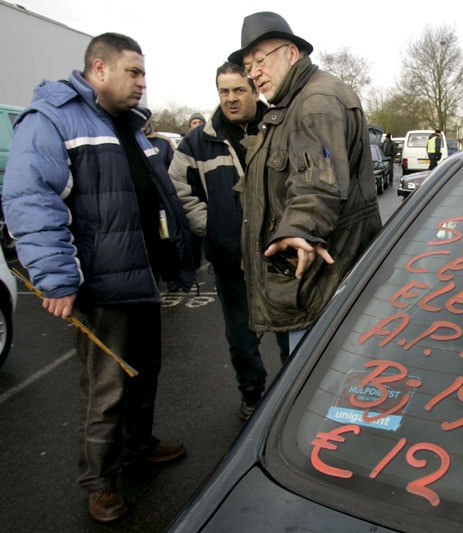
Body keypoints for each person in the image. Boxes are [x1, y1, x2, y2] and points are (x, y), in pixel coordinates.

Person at [2, 32, 196, 523]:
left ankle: (138, 445)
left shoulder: (127, 126)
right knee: (106, 387)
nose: (142, 83)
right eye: (134, 72)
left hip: (142, 274)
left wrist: (177, 255)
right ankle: (100, 481)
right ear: (99, 68)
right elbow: (30, 198)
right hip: (102, 282)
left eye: (144, 73)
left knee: (144, 370)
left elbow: (153, 196)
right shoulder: (52, 119)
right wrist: (55, 278)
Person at [227, 12, 382, 363]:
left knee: (310, 389)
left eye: (260, 60)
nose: (253, 73)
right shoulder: (295, 102)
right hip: (310, 284)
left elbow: (319, 181)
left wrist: (300, 226)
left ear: (292, 53)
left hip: (317, 288)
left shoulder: (315, 102)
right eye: (248, 66)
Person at [169, 62, 269, 421]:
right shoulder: (197, 143)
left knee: (293, 330)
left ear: (255, 90)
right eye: (223, 91)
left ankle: (294, 395)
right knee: (241, 334)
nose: (230, 98)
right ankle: (253, 393)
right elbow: (179, 191)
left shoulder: (280, 128)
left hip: (279, 255)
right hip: (231, 258)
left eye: (238, 90)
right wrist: (213, 227)